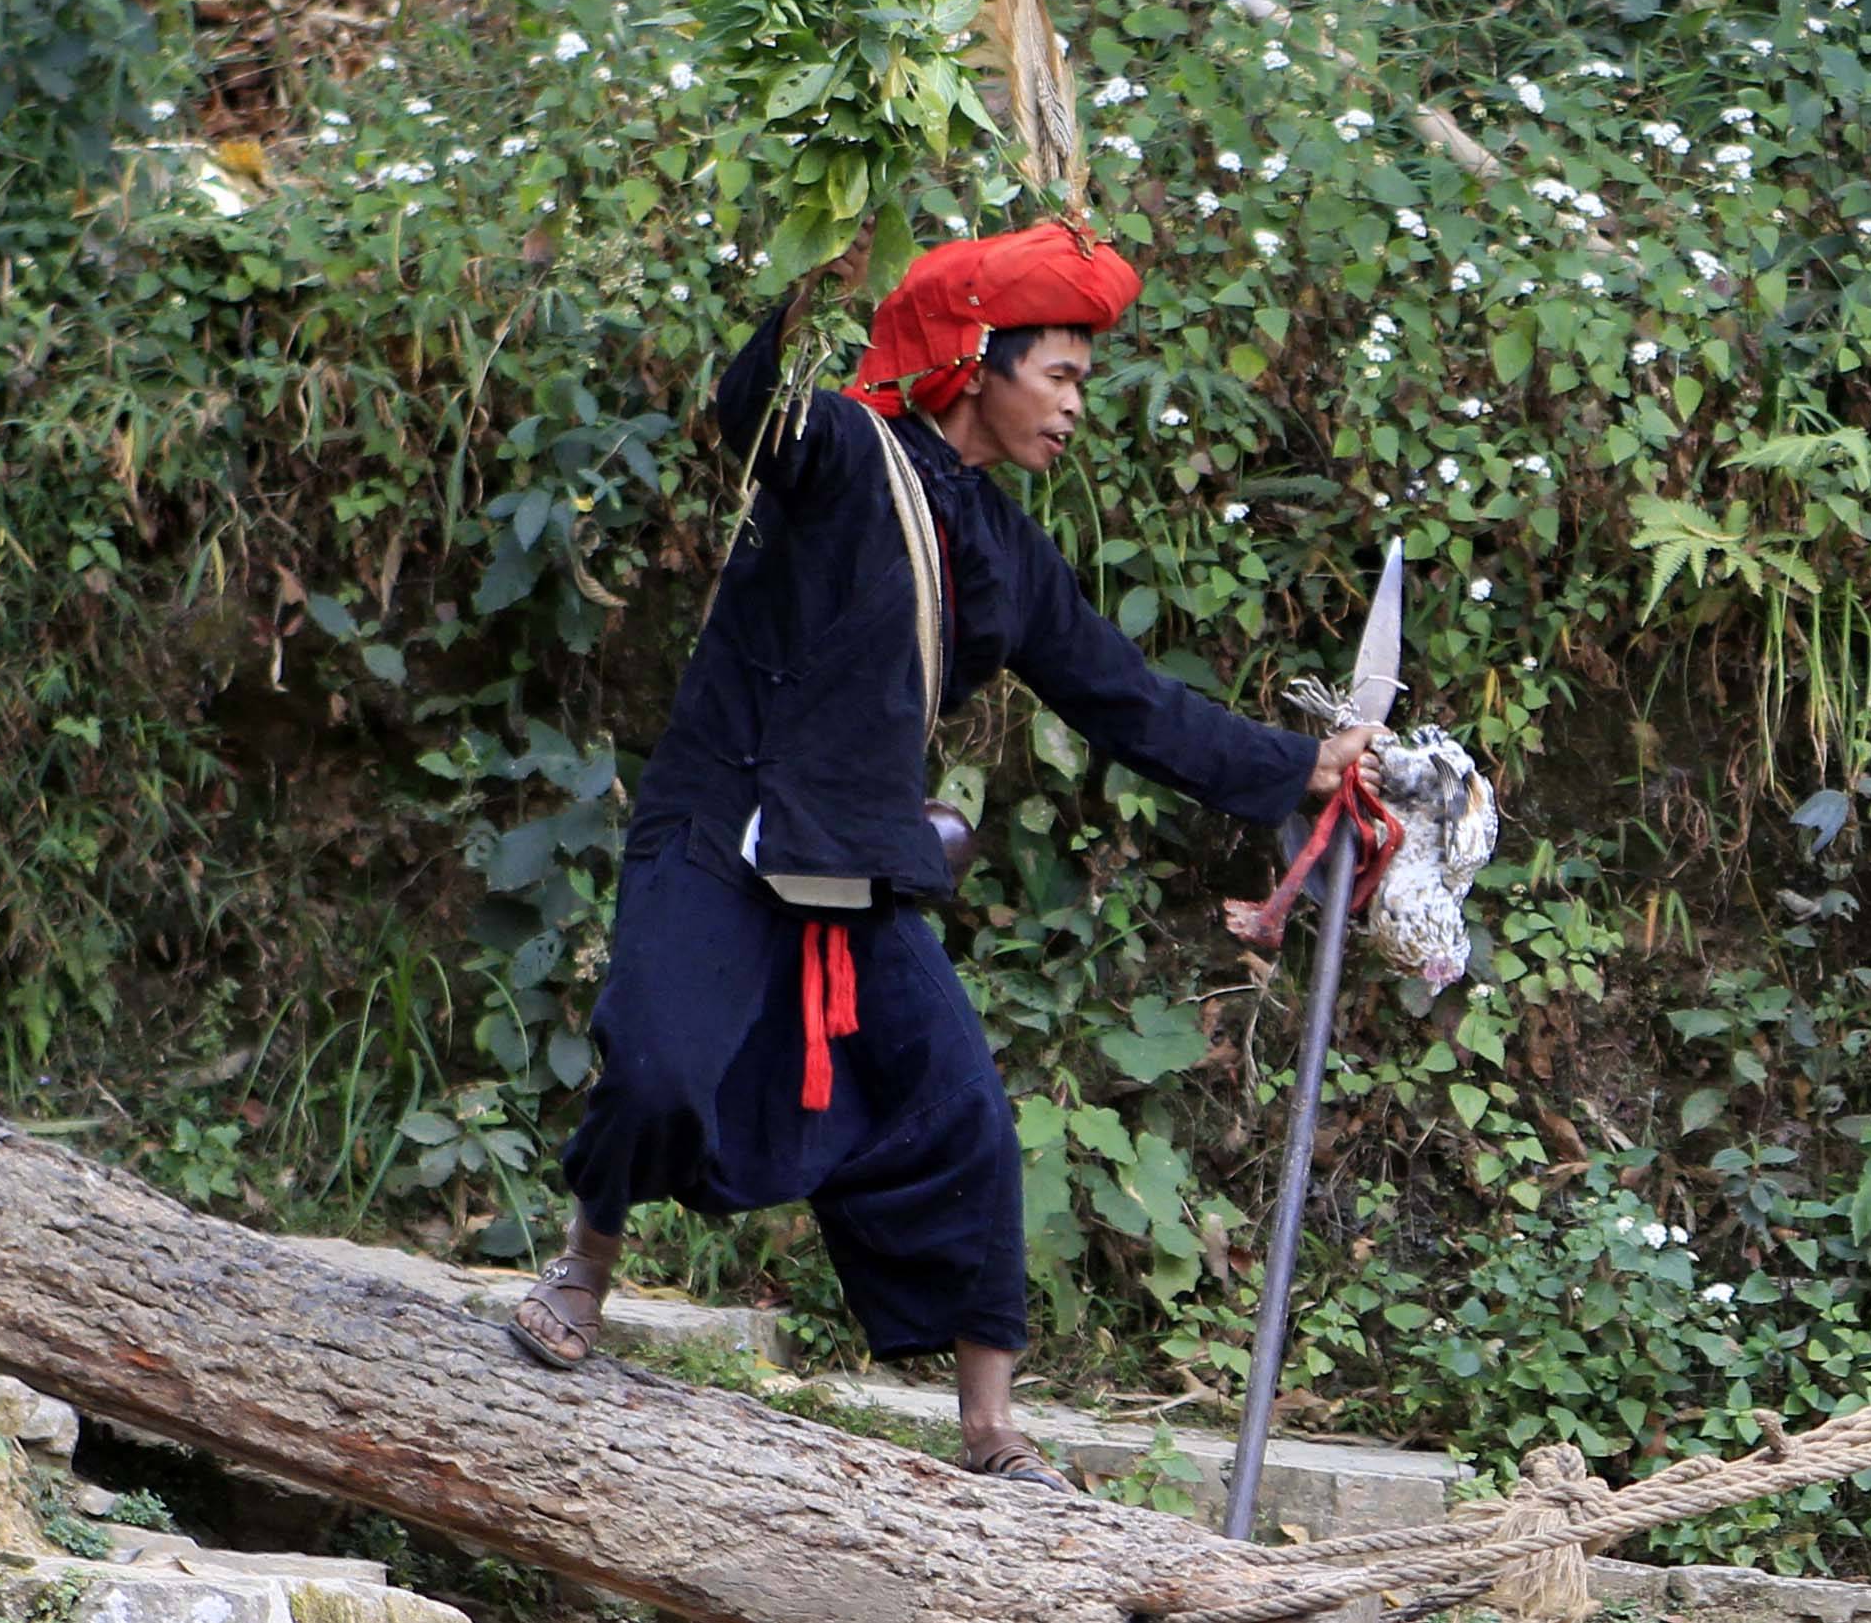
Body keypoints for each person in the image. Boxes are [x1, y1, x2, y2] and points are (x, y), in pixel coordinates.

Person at [516, 226, 1376, 1472]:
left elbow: (1127, 700)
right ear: (978, 357)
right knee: (654, 1069)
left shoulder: (1012, 554)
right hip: (719, 828)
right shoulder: (843, 455)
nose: (1078, 406)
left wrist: (1296, 766)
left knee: (963, 1113)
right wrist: (810, 275)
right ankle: (587, 1269)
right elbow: (750, 406)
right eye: (1062, 375)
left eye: (1083, 380)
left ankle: (991, 1428)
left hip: (854, 862)